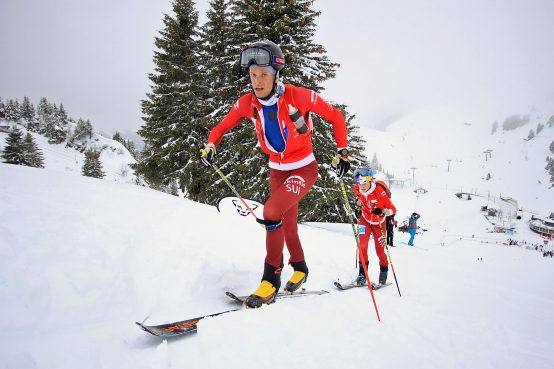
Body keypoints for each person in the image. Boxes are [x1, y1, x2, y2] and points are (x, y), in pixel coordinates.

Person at [200, 40, 350, 308]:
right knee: (287, 225)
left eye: (264, 75)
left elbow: (336, 117)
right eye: (253, 75)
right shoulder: (247, 103)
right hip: (277, 170)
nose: (257, 82)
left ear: (276, 74)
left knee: (271, 212)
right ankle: (301, 268)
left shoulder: (299, 96)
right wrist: (211, 144)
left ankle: (271, 277)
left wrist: (343, 152)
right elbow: (221, 127)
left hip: (304, 168)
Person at [352, 167, 396, 286]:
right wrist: (357, 206)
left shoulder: (379, 192)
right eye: (359, 182)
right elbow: (358, 199)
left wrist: (383, 212)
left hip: (379, 223)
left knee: (380, 251)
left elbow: (393, 209)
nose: (362, 186)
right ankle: (362, 274)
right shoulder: (357, 189)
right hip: (365, 220)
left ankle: (383, 272)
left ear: (370, 180)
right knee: (362, 245)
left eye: (364, 182)